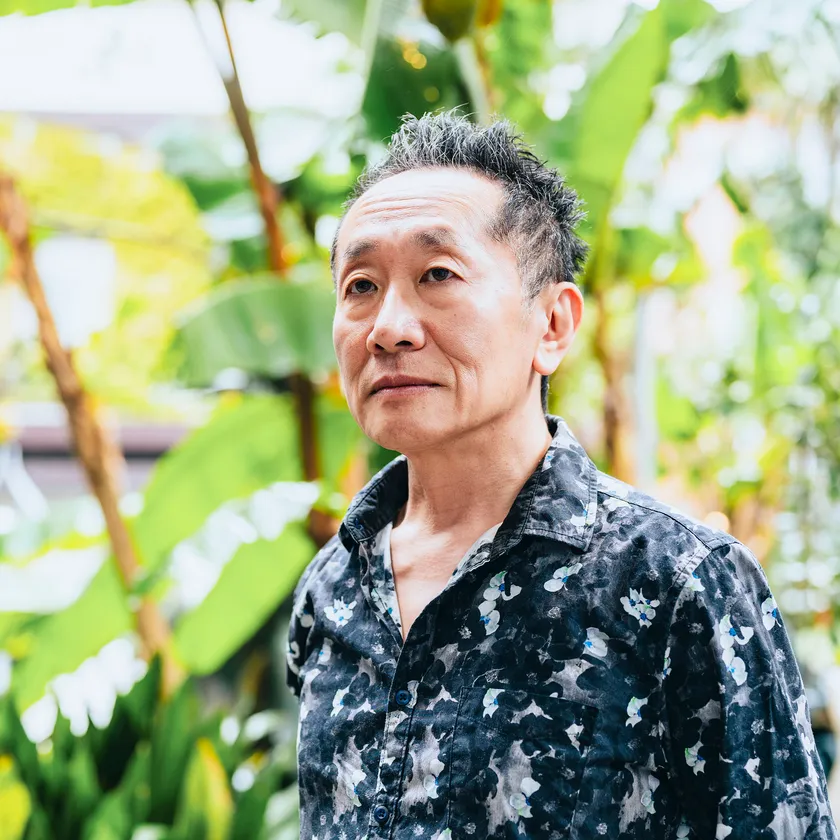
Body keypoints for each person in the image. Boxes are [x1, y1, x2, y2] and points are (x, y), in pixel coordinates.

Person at [285, 110, 837, 840]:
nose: (388, 327)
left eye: (438, 274)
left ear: (552, 325)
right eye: (360, 285)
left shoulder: (678, 584)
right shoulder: (331, 590)